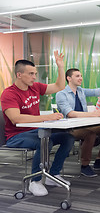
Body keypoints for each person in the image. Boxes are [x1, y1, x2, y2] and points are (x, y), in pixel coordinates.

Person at [0, 51, 75, 197]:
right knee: (45, 142)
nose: (35, 77)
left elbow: (59, 86)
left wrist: (60, 67)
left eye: (35, 73)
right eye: (31, 74)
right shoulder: (9, 94)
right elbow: (16, 119)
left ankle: (53, 175)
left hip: (36, 130)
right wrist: (46, 117)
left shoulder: (35, 87)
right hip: (16, 136)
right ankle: (34, 181)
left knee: (68, 137)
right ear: (19, 75)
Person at [56, 62, 100, 178]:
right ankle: (85, 165)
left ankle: (99, 161)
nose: (81, 78)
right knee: (90, 134)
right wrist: (93, 114)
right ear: (69, 78)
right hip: (70, 128)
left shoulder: (81, 91)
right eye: (77, 76)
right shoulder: (61, 94)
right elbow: (70, 114)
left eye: (81, 76)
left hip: (84, 124)